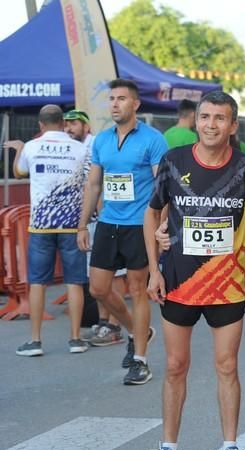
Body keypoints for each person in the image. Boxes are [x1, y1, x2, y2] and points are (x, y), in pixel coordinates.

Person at [141, 90, 245, 450]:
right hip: (178, 280)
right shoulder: (173, 162)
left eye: (220, 118)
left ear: (232, 125)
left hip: (227, 283)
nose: (211, 124)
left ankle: (230, 449)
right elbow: (152, 214)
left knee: (227, 366)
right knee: (176, 366)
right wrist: (154, 271)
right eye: (205, 117)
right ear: (196, 121)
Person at [77, 78, 168, 385]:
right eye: (112, 98)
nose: (115, 104)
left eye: (121, 99)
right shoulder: (101, 140)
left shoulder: (153, 139)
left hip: (140, 224)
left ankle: (140, 360)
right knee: (98, 288)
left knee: (137, 288)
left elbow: (161, 186)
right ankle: (137, 331)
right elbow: (93, 184)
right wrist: (82, 224)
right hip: (108, 223)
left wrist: (161, 224)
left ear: (135, 104)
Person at [4, 105, 89, 356]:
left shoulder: (32, 146)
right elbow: (89, 182)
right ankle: (75, 339)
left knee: (38, 282)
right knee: (74, 281)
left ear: (40, 124)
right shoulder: (80, 147)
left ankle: (35, 340)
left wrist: (19, 148)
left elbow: (19, 171)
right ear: (63, 122)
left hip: (41, 224)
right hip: (72, 223)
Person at [65, 109, 128, 347]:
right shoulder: (78, 148)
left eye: (73, 125)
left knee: (115, 274)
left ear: (85, 126)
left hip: (107, 220)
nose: (68, 129)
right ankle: (104, 321)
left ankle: (115, 324)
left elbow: (99, 184)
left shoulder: (94, 146)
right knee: (98, 276)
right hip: (92, 221)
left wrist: (103, 219)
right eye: (66, 125)